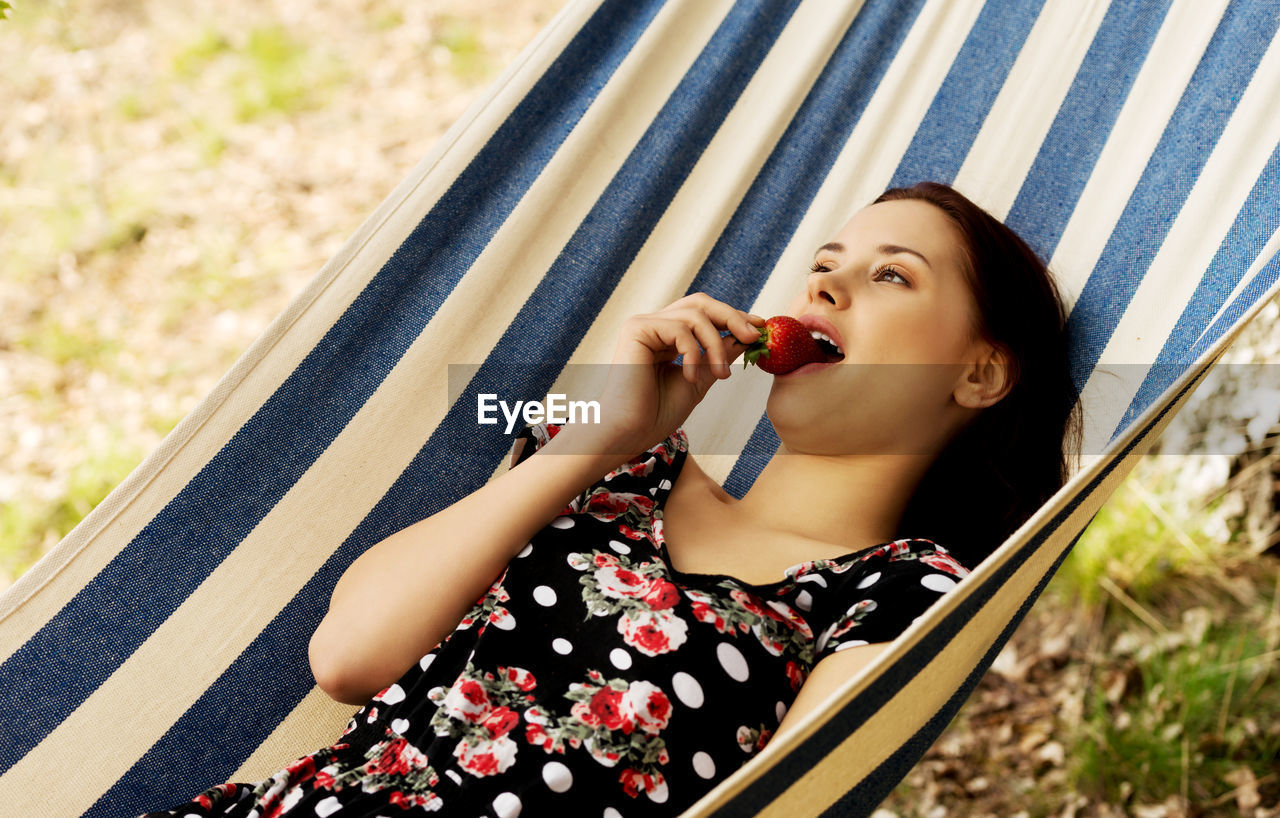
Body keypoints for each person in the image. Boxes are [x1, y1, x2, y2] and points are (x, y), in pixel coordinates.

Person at [141, 181, 1078, 818]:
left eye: (889, 276)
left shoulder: (899, 594)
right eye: (825, 265)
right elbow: (347, 657)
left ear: (981, 373)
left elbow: (796, 797)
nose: (825, 281)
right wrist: (593, 444)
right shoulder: (622, 471)